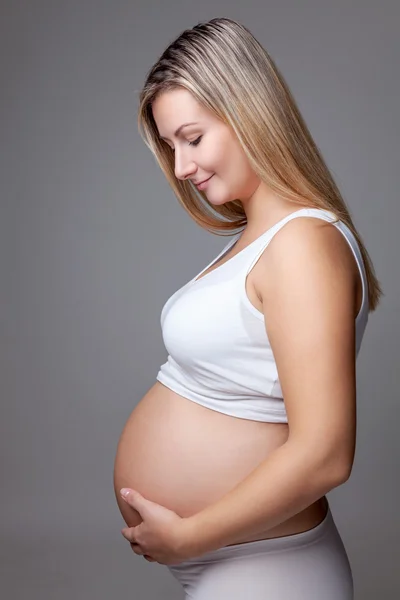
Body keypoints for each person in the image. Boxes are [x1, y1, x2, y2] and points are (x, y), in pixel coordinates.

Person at [120, 16, 382, 599]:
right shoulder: (258, 241)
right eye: (170, 147)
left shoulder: (304, 243)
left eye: (192, 138)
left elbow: (326, 455)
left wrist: (189, 537)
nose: (182, 168)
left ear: (247, 111)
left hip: (270, 572)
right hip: (233, 563)